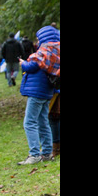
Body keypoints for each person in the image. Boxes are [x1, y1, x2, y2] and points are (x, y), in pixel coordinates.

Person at [18, 26, 60, 165]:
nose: (37, 40)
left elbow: (30, 67)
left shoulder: (42, 53)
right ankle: (47, 153)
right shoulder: (56, 53)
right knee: (43, 122)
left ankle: (34, 154)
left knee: (29, 122)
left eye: (38, 38)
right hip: (47, 92)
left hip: (37, 92)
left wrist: (23, 63)